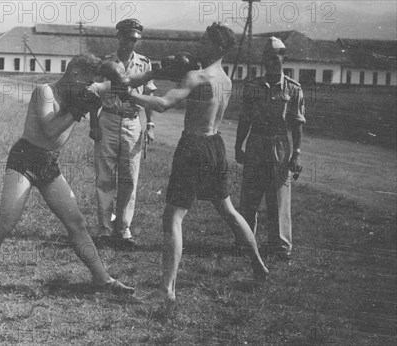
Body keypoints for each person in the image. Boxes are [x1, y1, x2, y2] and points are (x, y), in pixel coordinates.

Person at [120, 23, 269, 304]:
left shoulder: (198, 76)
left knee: (173, 217)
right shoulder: (225, 80)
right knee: (228, 210)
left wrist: (130, 96)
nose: (200, 45)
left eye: (205, 41)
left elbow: (163, 103)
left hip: (193, 147)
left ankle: (166, 290)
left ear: (217, 46)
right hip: (215, 145)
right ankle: (259, 265)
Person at [0, 54, 134, 295]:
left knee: (77, 223)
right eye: (86, 82)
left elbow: (118, 84)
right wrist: (78, 109)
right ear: (75, 74)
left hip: (48, 163)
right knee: (6, 223)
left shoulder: (80, 92)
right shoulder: (44, 92)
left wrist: (124, 84)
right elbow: (49, 130)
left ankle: (102, 278)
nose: (88, 88)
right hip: (24, 160)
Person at [234, 37, 305, 262]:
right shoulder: (253, 87)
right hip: (256, 143)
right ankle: (245, 242)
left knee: (279, 198)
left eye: (278, 58)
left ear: (284, 58)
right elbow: (245, 119)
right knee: (249, 198)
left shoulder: (293, 89)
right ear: (264, 60)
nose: (275, 63)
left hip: (280, 146)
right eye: (270, 59)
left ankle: (280, 246)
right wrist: (238, 145)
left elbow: (297, 124)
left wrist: (296, 153)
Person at [89, 18, 156, 246]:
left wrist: (150, 125)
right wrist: (93, 125)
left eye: (134, 40)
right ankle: (105, 229)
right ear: (118, 36)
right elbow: (94, 95)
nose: (130, 43)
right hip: (108, 119)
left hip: (132, 123)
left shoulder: (144, 63)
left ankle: (124, 228)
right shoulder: (106, 63)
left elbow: (149, 96)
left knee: (129, 178)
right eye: (127, 38)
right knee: (105, 176)